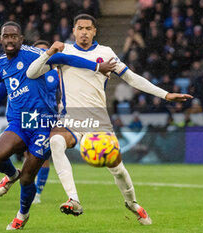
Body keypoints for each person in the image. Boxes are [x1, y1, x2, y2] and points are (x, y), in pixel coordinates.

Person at [27, 14, 193, 225]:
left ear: (95, 31)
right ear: (73, 30)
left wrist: (165, 94)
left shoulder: (105, 53)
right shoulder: (64, 51)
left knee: (118, 169)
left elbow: (132, 78)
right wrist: (49, 52)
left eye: (88, 28)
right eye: (80, 28)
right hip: (70, 117)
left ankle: (132, 203)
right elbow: (32, 73)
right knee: (56, 141)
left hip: (99, 122)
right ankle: (74, 199)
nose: (84, 32)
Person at [0, 21, 115, 230]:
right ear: (0, 39)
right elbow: (4, 83)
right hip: (19, 121)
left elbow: (64, 58)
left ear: (21, 39)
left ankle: (22, 215)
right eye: (5, 36)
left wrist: (97, 66)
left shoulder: (33, 54)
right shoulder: (0, 62)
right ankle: (11, 175)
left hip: (44, 125)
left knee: (28, 179)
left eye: (13, 36)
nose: (9, 40)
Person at [31, 40, 60, 204]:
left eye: (45, 50)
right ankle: (28, 186)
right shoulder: (29, 72)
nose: (42, 53)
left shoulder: (55, 73)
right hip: (29, 115)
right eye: (38, 50)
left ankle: (37, 193)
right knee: (29, 154)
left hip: (49, 117)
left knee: (43, 156)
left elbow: (60, 94)